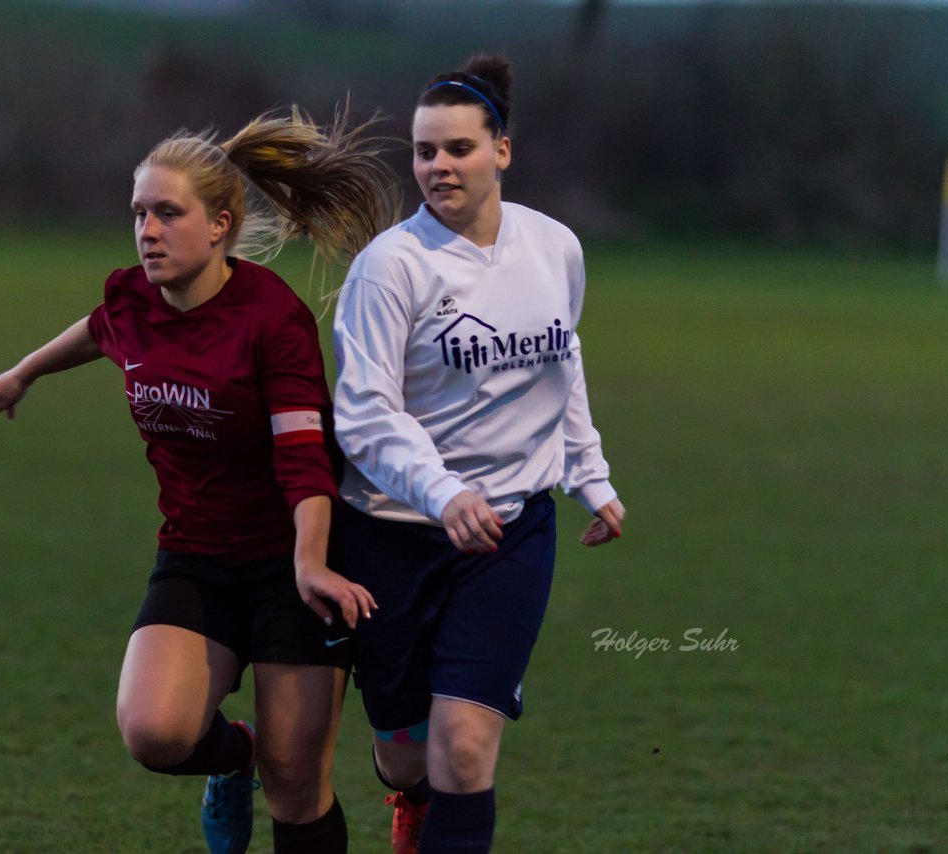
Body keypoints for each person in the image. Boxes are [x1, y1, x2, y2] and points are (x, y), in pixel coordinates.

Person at [0, 109, 398, 854]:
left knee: (295, 780)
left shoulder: (272, 319)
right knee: (154, 733)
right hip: (196, 553)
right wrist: (23, 372)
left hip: (292, 558)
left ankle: (270, 773)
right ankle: (232, 759)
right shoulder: (132, 296)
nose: (148, 231)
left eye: (168, 214)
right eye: (139, 213)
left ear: (221, 225)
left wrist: (309, 566)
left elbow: (304, 460)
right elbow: (100, 326)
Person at [331, 54, 628, 854]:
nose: (437, 166)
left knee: (464, 747)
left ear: (502, 150)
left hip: (507, 533)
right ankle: (410, 796)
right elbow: (363, 416)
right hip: (390, 531)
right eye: (424, 152)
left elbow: (560, 363)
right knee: (405, 753)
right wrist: (438, 491)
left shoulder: (556, 248)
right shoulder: (389, 268)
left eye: (458, 149)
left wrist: (587, 473)